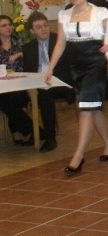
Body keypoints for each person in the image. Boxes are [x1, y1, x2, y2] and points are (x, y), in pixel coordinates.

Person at [45, 0, 108, 173]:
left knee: (84, 108)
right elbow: (60, 43)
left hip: (96, 63)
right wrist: (50, 68)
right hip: (76, 65)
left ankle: (78, 155)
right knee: (93, 108)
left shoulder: (100, 12)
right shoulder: (64, 14)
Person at [22, 12, 74, 152]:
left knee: (45, 95)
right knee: (11, 98)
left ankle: (50, 138)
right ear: (32, 31)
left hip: (59, 82)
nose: (44, 29)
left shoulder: (60, 41)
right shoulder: (28, 48)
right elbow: (28, 71)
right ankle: (34, 131)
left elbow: (68, 67)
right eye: (38, 27)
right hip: (37, 84)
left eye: (45, 25)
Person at [0, 14, 33, 145]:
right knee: (5, 99)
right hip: (3, 84)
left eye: (9, 25)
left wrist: (19, 54)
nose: (8, 27)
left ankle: (19, 130)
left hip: (21, 83)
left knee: (10, 101)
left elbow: (31, 52)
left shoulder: (19, 41)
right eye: (4, 25)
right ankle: (33, 131)